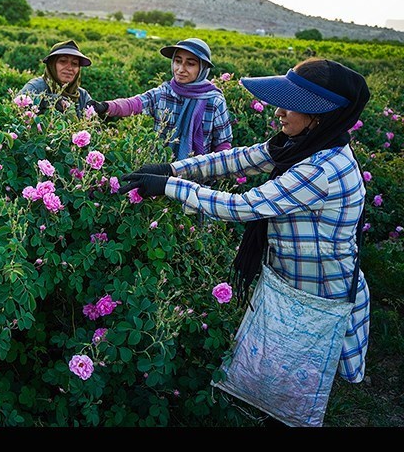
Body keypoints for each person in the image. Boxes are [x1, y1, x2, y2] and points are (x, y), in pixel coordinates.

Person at [117, 58, 371, 388]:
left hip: (319, 290)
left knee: (304, 387)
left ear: (319, 117)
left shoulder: (320, 170)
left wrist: (170, 186)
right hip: (293, 280)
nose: (278, 113)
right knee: (285, 380)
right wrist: (173, 168)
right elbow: (239, 158)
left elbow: (244, 206)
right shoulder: (304, 145)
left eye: (289, 106)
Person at [89, 37, 232, 159]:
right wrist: (106, 106)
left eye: (190, 63)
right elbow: (135, 104)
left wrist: (216, 170)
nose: (181, 69)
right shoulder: (164, 93)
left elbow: (222, 143)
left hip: (197, 176)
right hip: (159, 169)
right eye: (177, 61)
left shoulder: (214, 101)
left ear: (202, 68)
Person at [18, 39, 94, 116]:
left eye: (74, 63)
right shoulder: (36, 87)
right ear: (52, 64)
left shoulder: (82, 95)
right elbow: (17, 111)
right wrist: (47, 101)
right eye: (63, 61)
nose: (70, 68)